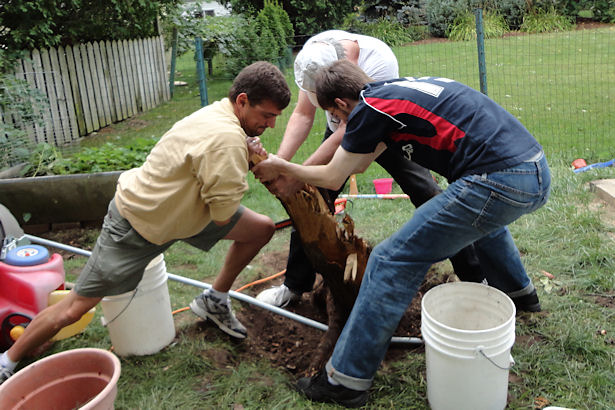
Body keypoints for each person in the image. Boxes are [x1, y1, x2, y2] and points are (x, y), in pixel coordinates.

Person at [252, 60, 550, 407]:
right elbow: (358, 163)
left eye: (337, 118)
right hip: (532, 169)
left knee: (391, 258)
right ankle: (519, 294)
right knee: (480, 218)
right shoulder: (390, 96)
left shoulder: (369, 109)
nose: (341, 127)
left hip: (499, 179)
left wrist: (283, 166)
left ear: (341, 105)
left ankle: (346, 381)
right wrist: (296, 177)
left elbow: (335, 177)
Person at [0, 61, 291, 386]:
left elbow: (215, 193)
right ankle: (7, 360)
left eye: (275, 117)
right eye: (266, 116)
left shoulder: (220, 114)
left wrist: (245, 155)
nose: (271, 124)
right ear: (242, 101)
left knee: (260, 229)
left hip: (184, 212)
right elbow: (222, 215)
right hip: (137, 225)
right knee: (73, 309)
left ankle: (213, 300)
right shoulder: (225, 139)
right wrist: (246, 164)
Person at [256, 30, 483, 308]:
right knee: (313, 197)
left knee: (426, 193)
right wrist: (279, 163)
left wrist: (294, 172)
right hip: (343, 125)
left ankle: (474, 277)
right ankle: (294, 285)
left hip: (387, 130)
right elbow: (304, 114)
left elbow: (352, 129)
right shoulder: (314, 58)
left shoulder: (380, 61)